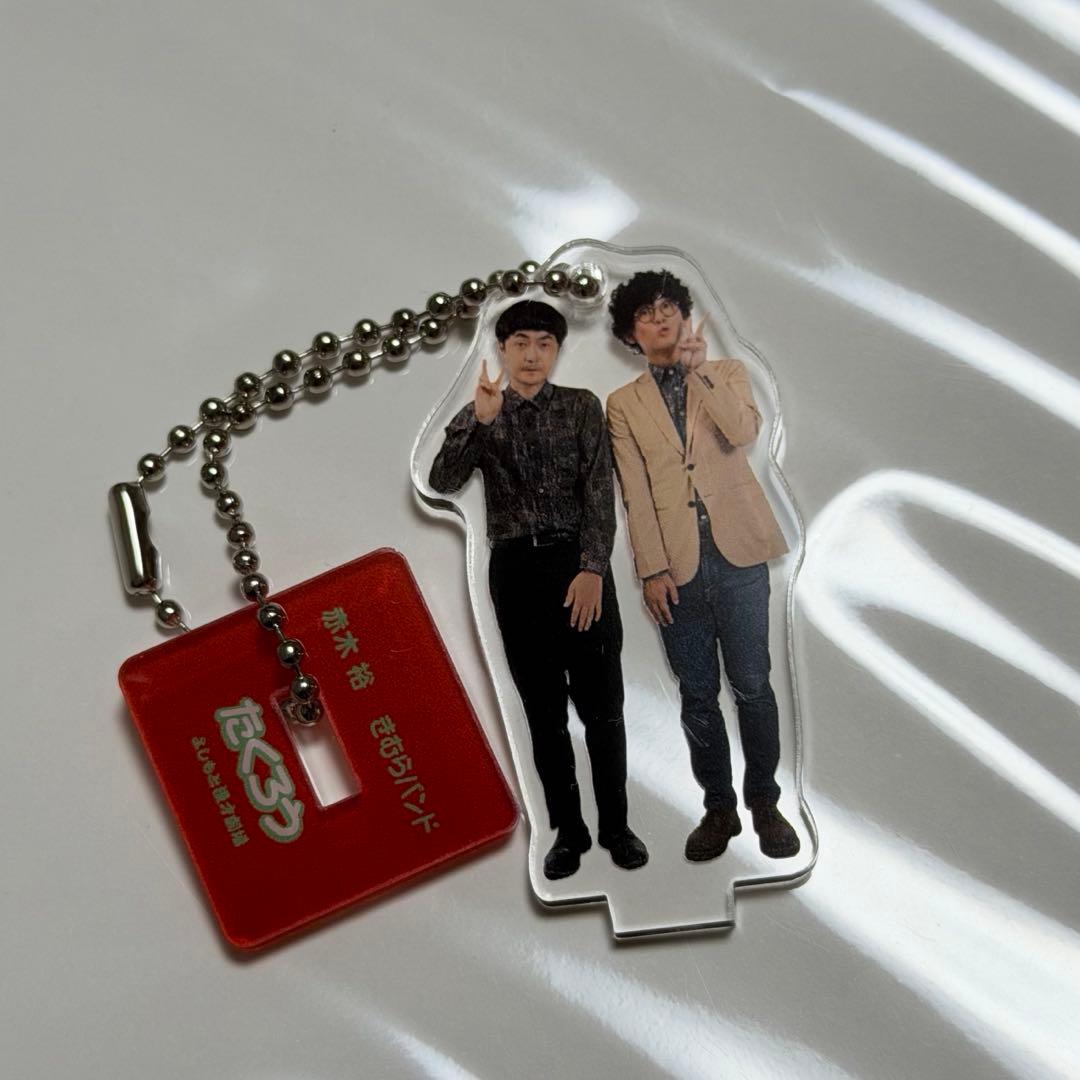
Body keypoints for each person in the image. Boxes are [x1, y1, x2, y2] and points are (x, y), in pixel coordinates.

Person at [429, 299, 647, 880]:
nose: (532, 355)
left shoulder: (580, 407)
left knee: (604, 708)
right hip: (515, 572)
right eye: (520, 343)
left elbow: (599, 494)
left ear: (557, 350)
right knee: (543, 712)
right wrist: (477, 422)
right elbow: (442, 481)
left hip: (578, 566)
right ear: (502, 349)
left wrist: (592, 568)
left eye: (544, 344)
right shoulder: (485, 409)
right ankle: (567, 834)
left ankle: (617, 827)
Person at [605, 270, 800, 862]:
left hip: (740, 556)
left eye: (669, 307)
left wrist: (699, 372)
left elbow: (743, 432)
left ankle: (765, 803)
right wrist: (651, 570)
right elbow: (635, 493)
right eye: (645, 314)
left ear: (685, 315)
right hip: (676, 569)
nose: (660, 318)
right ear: (631, 335)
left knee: (754, 686)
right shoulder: (623, 404)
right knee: (697, 694)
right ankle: (719, 809)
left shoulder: (727, 373)